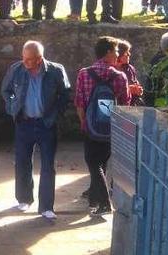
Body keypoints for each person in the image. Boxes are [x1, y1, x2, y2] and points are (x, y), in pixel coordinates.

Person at [1, 41, 70, 221]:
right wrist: (12, 108)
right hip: (24, 122)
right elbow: (5, 90)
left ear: (40, 59)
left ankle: (46, 206)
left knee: (48, 165)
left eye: (30, 60)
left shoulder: (55, 71)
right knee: (22, 162)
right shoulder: (16, 69)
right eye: (24, 58)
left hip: (47, 124)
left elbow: (65, 93)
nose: (25, 62)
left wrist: (56, 114)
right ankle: (24, 198)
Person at [74, 37, 132, 216]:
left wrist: (84, 123)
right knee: (101, 163)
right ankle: (95, 199)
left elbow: (80, 102)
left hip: (91, 127)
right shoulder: (120, 76)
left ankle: (105, 203)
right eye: (115, 51)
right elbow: (125, 104)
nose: (117, 54)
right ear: (107, 52)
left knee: (93, 163)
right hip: (111, 128)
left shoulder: (84, 73)